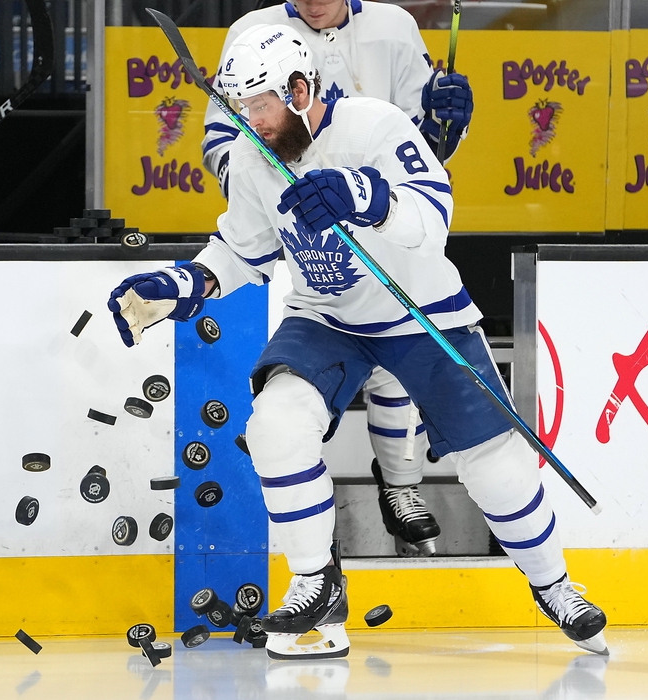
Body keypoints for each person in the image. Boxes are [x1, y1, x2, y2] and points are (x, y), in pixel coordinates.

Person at [111, 24, 607, 660]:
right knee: (276, 426)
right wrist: (182, 283)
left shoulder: (376, 126)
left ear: (299, 89)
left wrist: (362, 195)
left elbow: (432, 220)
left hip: (423, 315)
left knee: (498, 472)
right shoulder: (250, 154)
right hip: (327, 317)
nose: (250, 121)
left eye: (260, 106)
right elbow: (242, 250)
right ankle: (318, 585)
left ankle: (555, 585)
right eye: (241, 109)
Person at [202, 0, 475, 558]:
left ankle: (401, 487)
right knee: (305, 375)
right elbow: (220, 141)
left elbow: (424, 145)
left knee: (396, 361)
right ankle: (307, 518)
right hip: (301, 237)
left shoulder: (395, 27)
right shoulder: (251, 32)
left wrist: (450, 121)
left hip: (383, 224)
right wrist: (274, 193)